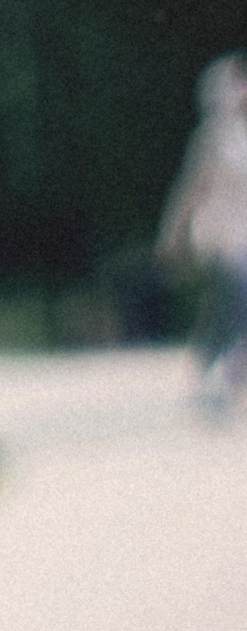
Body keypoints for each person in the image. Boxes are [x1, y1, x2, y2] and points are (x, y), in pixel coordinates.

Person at [159, 53, 247, 414]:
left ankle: (216, 374)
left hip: (244, 235)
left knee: (226, 312)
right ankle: (220, 378)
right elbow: (188, 192)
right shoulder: (212, 139)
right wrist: (171, 237)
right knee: (237, 302)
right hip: (218, 236)